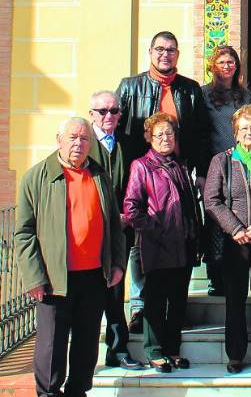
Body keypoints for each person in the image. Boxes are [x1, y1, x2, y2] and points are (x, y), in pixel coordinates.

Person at [15, 117, 126, 397]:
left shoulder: (100, 175)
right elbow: (24, 234)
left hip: (94, 276)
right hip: (54, 279)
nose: (79, 143)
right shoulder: (37, 177)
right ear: (59, 140)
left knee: (86, 345)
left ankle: (78, 392)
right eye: (73, 137)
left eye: (85, 138)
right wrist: (34, 277)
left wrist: (117, 263)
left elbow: (114, 225)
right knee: (51, 347)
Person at [116, 30, 211, 333]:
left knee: (179, 237)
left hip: (178, 173)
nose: (165, 54)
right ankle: (140, 307)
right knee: (141, 242)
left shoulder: (190, 90)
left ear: (177, 54)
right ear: (150, 52)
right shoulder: (130, 87)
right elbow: (117, 132)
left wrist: (201, 172)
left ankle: (171, 307)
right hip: (142, 174)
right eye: (159, 49)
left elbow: (201, 135)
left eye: (170, 50)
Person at [123, 112, 203, 373]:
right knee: (155, 300)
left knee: (178, 300)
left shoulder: (180, 165)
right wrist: (155, 230)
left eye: (170, 133)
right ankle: (154, 351)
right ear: (150, 138)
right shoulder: (142, 166)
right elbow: (132, 208)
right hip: (157, 245)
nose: (166, 138)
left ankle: (172, 348)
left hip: (184, 243)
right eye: (160, 134)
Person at [203, 105, 251, 374]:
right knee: (234, 298)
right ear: (235, 132)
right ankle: (235, 354)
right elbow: (212, 200)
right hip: (234, 241)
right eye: (244, 128)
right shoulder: (221, 161)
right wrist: (235, 228)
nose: (250, 132)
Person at [86, 91, 142, 371]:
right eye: (102, 111)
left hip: (120, 230)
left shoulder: (128, 143)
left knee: (116, 290)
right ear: (91, 114)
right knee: (89, 292)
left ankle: (118, 349)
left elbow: (136, 183)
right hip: (88, 231)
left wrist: (127, 215)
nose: (109, 116)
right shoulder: (82, 143)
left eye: (114, 111)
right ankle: (85, 355)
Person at [202, 45, 251, 297]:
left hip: (241, 164)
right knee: (215, 218)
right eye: (221, 62)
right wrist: (201, 171)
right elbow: (199, 133)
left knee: (238, 215)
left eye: (231, 62)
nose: (226, 66)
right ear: (213, 66)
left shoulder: (245, 95)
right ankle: (215, 275)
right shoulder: (203, 95)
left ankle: (238, 274)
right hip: (215, 164)